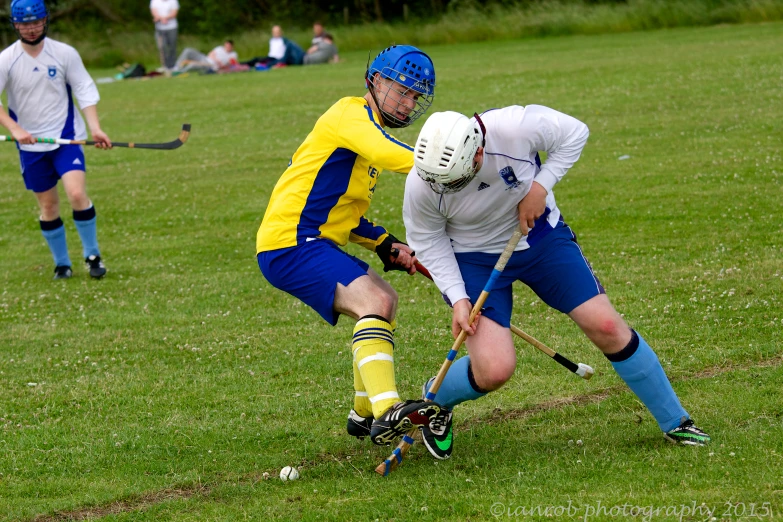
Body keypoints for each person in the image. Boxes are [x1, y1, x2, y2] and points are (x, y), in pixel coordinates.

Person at [402, 108, 711, 460]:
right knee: (494, 370)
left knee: (607, 325)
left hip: (541, 239)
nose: (444, 189)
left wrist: (540, 185)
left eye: (455, 181)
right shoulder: (422, 182)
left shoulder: (515, 126)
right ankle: (436, 401)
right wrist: (458, 298)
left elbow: (575, 133)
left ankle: (675, 421)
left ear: (478, 151)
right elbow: (427, 240)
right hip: (473, 258)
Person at [256, 45, 442, 446]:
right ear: (375, 81)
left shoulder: (367, 133)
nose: (408, 103)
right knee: (372, 301)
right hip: (292, 242)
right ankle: (386, 409)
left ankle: (362, 414)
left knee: (385, 300)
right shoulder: (350, 115)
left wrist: (385, 243)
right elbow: (386, 152)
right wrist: (449, 163)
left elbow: (344, 212)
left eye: (415, 96)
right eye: (402, 90)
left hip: (310, 240)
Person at [0, 0, 111, 280]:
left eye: (36, 22)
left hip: (67, 139)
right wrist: (14, 129)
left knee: (76, 194)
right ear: (15, 25)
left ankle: (92, 255)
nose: (32, 29)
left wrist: (95, 128)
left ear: (45, 20)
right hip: (31, 146)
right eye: (25, 24)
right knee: (48, 206)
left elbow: (85, 89)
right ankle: (62, 263)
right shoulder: (6, 59)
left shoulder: (64, 53)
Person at [173, 40, 238, 74]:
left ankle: (179, 72)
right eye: (226, 46)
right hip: (205, 58)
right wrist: (217, 59)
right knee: (188, 50)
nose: (226, 48)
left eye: (228, 47)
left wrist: (222, 65)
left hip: (209, 66)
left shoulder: (233, 54)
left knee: (192, 65)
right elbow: (210, 53)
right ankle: (176, 67)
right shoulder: (219, 48)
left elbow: (232, 64)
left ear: (232, 47)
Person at [150, 0, 179, 74]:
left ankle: (172, 65)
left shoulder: (173, 1)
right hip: (159, 28)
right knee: (162, 46)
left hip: (172, 27)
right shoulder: (154, 1)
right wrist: (160, 18)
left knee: (172, 46)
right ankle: (165, 65)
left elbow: (174, 13)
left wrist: (165, 18)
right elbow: (154, 12)